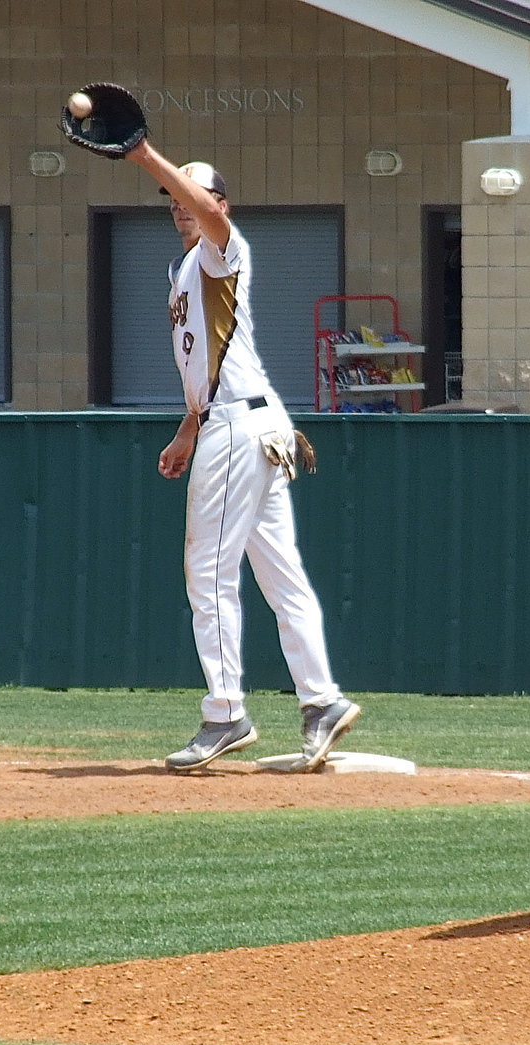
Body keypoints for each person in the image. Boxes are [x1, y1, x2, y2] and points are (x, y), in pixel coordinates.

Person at [123, 140, 360, 773]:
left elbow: (213, 220)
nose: (180, 205)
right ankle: (322, 702)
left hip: (240, 431)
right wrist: (185, 430)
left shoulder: (222, 250)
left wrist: (146, 157)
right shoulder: (181, 272)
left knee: (208, 571)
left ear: (218, 204)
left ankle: (225, 711)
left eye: (191, 195)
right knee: (280, 573)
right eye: (171, 199)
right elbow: (210, 366)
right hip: (239, 421)